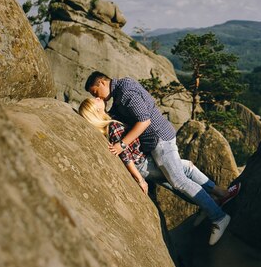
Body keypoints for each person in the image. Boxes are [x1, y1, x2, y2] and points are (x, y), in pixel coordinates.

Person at [84, 71, 238, 245]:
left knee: (179, 181)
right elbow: (116, 116)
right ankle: (216, 198)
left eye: (95, 92)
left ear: (103, 83)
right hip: (156, 142)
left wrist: (122, 145)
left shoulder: (125, 93)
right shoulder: (121, 90)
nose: (98, 97)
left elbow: (144, 121)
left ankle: (219, 217)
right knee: (182, 171)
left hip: (159, 140)